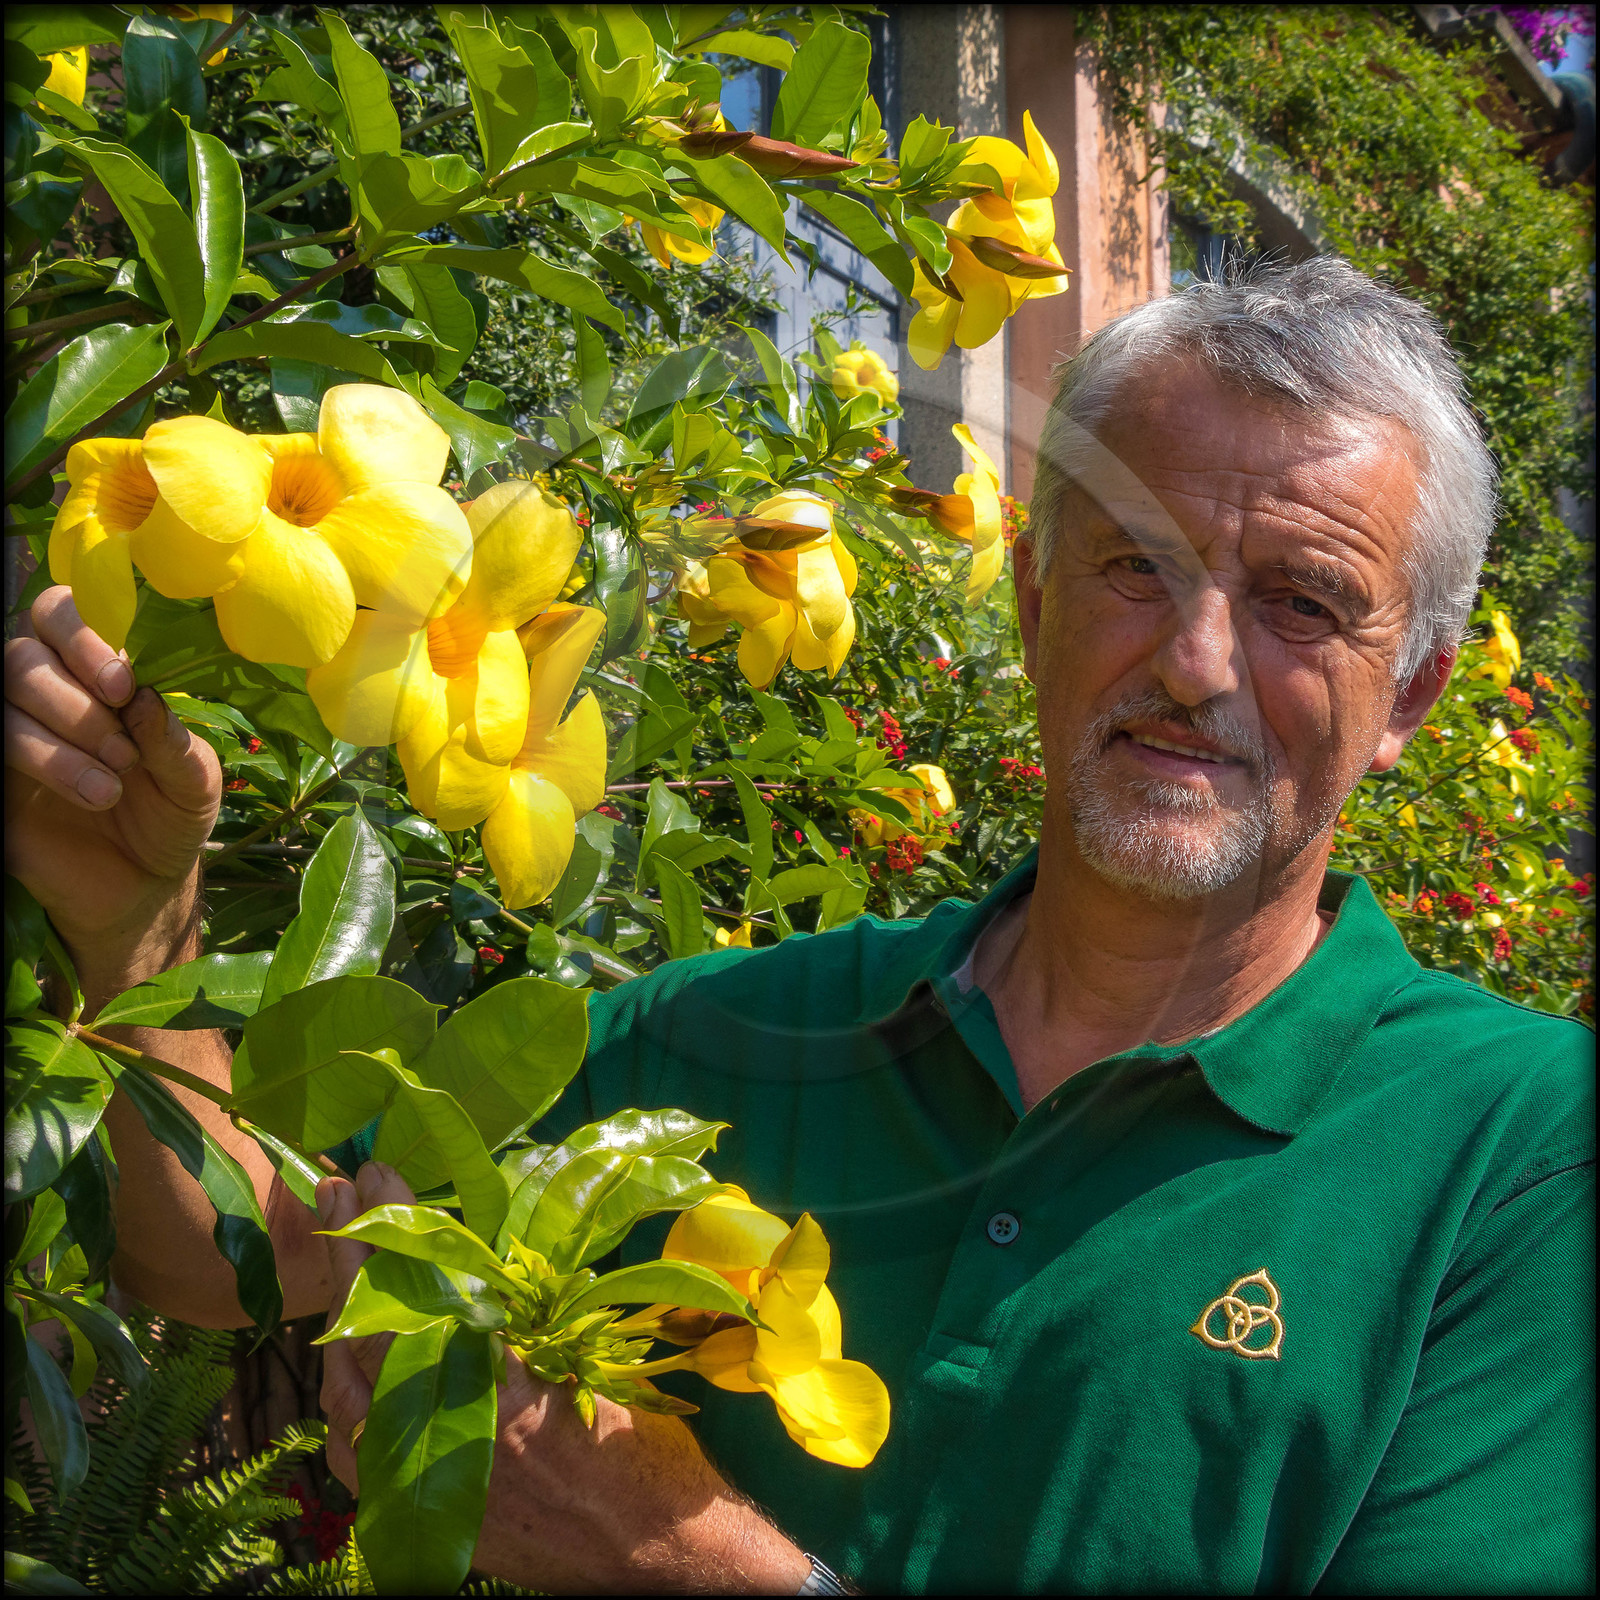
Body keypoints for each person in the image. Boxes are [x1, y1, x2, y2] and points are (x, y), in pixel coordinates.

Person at [6, 258, 1592, 1594]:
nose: (1194, 660)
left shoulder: (1521, 1159)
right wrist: (135, 929)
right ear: (1031, 603)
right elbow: (235, 1266)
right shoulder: (719, 1034)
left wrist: (692, 1565)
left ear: (1414, 698)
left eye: (1304, 602)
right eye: (1133, 566)